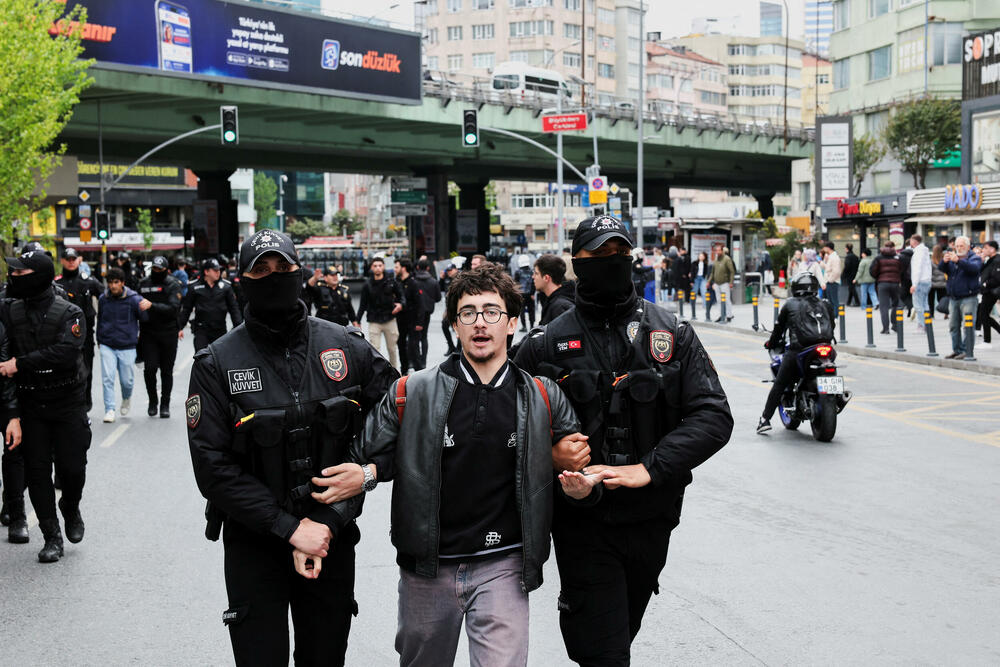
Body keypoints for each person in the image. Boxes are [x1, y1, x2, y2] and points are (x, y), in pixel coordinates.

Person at [312, 263, 595, 666]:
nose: (480, 323)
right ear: (454, 324)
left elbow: (580, 469)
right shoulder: (411, 392)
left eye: (492, 312)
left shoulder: (542, 396)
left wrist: (581, 484)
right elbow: (359, 463)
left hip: (505, 566)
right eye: (468, 313)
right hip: (428, 569)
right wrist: (326, 521)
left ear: (512, 323)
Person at [514, 215, 733, 665]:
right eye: (598, 256)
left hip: (652, 521)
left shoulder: (671, 333)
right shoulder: (545, 343)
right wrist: (551, 454)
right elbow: (501, 425)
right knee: (604, 651)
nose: (611, 263)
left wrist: (649, 468)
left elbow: (714, 416)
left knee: (620, 633)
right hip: (583, 524)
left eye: (619, 254)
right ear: (578, 263)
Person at [186, 230, 397, 666]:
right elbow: (211, 468)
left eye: (283, 268)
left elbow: (408, 423)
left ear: (299, 273)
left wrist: (369, 475)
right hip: (254, 543)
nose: (273, 276)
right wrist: (290, 528)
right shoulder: (215, 363)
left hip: (331, 537)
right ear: (242, 278)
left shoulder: (346, 345)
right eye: (260, 269)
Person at [0, 249, 88, 563]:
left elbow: (66, 353)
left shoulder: (70, 311)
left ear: (38, 275)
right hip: (30, 403)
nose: (13, 277)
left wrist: (19, 364)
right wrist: (11, 414)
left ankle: (71, 506)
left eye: (20, 273)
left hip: (67, 402)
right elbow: (2, 363)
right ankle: (52, 537)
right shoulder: (9, 311)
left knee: (72, 469)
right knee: (37, 472)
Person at [757, 273, 836, 434]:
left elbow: (779, 330)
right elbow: (832, 325)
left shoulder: (790, 304)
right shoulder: (825, 303)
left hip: (799, 350)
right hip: (826, 349)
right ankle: (838, 397)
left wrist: (771, 344)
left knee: (779, 383)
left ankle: (765, 419)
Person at [97, 267, 151, 423]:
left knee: (126, 381)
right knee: (107, 378)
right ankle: (110, 409)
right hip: (107, 344)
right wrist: (99, 339)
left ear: (122, 283)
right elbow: (100, 319)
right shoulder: (103, 299)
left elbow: (144, 318)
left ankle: (126, 397)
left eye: (116, 282)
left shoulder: (134, 299)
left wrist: (146, 306)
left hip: (127, 345)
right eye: (110, 283)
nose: (113, 286)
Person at [54, 248, 104, 412]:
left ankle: (85, 400)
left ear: (79, 260)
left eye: (73, 259)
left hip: (85, 333)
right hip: (61, 334)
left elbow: (105, 297)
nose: (70, 261)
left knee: (86, 367)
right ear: (62, 261)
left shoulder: (88, 281)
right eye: (67, 259)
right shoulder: (56, 283)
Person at [138, 256, 183, 418]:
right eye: (154, 269)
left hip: (168, 332)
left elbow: (173, 308)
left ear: (165, 269)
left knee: (166, 371)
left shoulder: (173, 285)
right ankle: (153, 401)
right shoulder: (143, 284)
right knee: (149, 369)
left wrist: (152, 306)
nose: (156, 271)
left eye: (159, 269)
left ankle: (165, 404)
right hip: (148, 333)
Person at [177, 257, 242, 351]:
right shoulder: (194, 287)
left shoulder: (226, 287)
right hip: (201, 329)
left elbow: (233, 308)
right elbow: (187, 309)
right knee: (201, 358)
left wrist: (238, 327)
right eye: (215, 270)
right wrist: (180, 327)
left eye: (219, 270)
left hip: (219, 329)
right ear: (206, 272)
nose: (218, 272)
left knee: (220, 359)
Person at [357, 257, 404, 371]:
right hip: (374, 320)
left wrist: (401, 305)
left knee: (392, 349)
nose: (378, 268)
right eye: (375, 266)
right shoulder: (367, 285)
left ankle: (394, 373)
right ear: (372, 268)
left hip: (390, 319)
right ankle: (377, 375)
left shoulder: (391, 282)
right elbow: (363, 304)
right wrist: (357, 320)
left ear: (383, 267)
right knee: (375, 349)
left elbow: (401, 296)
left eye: (380, 265)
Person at [940, 236, 983, 360]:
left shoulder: (974, 258)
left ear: (968, 247)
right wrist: (944, 261)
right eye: (957, 246)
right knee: (953, 325)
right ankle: (957, 350)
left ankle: (967, 350)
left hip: (969, 297)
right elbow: (942, 269)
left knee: (968, 326)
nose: (958, 248)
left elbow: (974, 269)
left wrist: (958, 261)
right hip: (953, 297)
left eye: (961, 246)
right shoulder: (954, 257)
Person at [407, 259, 440, 371]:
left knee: (413, 337)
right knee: (424, 336)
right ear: (427, 268)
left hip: (413, 312)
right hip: (427, 312)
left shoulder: (413, 280)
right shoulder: (433, 281)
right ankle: (423, 360)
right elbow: (438, 298)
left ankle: (415, 361)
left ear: (417, 267)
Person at [870, 242, 903, 335]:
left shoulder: (878, 258)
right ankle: (895, 324)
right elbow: (902, 269)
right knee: (896, 304)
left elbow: (872, 270)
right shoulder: (897, 257)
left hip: (882, 284)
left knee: (884, 306)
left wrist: (878, 277)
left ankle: (885, 328)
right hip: (895, 283)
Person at [533, 254, 575, 326]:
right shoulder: (553, 301)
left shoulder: (559, 307)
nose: (533, 277)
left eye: (536, 273)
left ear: (546, 278)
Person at [395, 259, 416, 374]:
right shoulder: (396, 282)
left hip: (412, 319)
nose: (394, 269)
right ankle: (404, 369)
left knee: (413, 345)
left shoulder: (413, 282)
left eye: (397, 267)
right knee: (401, 345)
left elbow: (419, 303)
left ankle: (418, 368)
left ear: (403, 268)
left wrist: (419, 322)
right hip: (399, 319)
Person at [907, 235, 932, 332]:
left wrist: (914, 284)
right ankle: (927, 324)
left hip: (920, 281)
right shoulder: (925, 251)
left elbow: (917, 269)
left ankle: (922, 325)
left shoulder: (918, 252)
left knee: (918, 305)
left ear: (914, 241)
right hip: (927, 280)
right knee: (925, 304)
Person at [978, 241, 1000, 349]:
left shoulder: (997, 260)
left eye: (985, 248)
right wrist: (981, 260)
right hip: (987, 291)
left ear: (992, 249)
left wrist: (986, 284)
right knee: (984, 314)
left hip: (991, 291)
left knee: (983, 314)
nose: (983, 250)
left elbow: (997, 277)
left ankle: (987, 341)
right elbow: (981, 272)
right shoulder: (989, 260)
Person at [708, 246, 735, 322]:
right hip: (717, 283)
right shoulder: (716, 260)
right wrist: (709, 282)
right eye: (716, 251)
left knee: (726, 300)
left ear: (722, 251)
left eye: (719, 250)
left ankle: (729, 315)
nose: (717, 252)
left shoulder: (727, 259)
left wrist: (731, 282)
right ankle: (721, 315)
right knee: (718, 300)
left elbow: (732, 271)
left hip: (725, 283)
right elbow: (712, 273)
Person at [439, 263, 459, 355]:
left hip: (458, 307)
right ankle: (451, 346)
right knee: (444, 324)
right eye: (448, 271)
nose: (449, 272)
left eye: (451, 270)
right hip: (449, 308)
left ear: (455, 269)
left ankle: (459, 348)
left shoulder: (460, 278)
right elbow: (440, 289)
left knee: (459, 327)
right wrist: (441, 279)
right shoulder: (447, 278)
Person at [514, 255, 536, 331]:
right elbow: (534, 283)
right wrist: (533, 293)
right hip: (530, 294)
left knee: (522, 311)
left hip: (521, 294)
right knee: (531, 310)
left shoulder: (517, 272)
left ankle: (524, 327)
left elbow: (516, 284)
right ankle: (532, 326)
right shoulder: (532, 272)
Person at [821, 241, 842, 313]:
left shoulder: (835, 257)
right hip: (829, 281)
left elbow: (837, 271)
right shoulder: (829, 257)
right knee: (829, 300)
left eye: (824, 247)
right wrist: (823, 261)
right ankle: (832, 315)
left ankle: (835, 315)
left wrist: (830, 280)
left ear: (828, 248)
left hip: (832, 282)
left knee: (833, 300)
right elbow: (827, 268)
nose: (823, 249)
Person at [690, 251, 711, 321]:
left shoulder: (705, 264)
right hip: (696, 278)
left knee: (704, 292)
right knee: (694, 292)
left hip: (702, 278)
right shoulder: (694, 263)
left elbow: (707, 273)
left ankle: (705, 305)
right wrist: (691, 281)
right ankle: (692, 305)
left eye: (702, 256)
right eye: (700, 256)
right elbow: (692, 272)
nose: (701, 257)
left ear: (704, 257)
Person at [930, 244, 949, 318]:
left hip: (933, 283)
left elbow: (929, 272)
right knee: (942, 298)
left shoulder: (931, 261)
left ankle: (931, 314)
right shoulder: (944, 260)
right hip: (943, 283)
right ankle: (946, 313)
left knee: (931, 300)